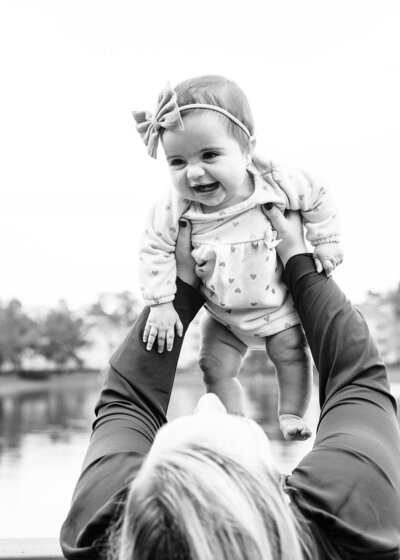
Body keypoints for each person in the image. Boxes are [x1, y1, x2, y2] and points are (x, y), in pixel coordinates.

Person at [60, 208, 400, 559]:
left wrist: (180, 283)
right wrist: (298, 257)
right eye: (225, 423)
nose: (209, 402)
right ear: (273, 490)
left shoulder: (107, 536)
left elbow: (127, 400)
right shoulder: (348, 526)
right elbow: (357, 378)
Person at [133, 75, 344, 439]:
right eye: (178, 161)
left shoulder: (273, 180)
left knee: (292, 356)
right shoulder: (174, 206)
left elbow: (317, 196)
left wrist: (324, 240)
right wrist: (161, 303)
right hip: (223, 315)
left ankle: (292, 413)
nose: (194, 172)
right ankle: (231, 424)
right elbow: (154, 247)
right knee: (212, 365)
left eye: (210, 155)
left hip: (279, 309)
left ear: (247, 150)